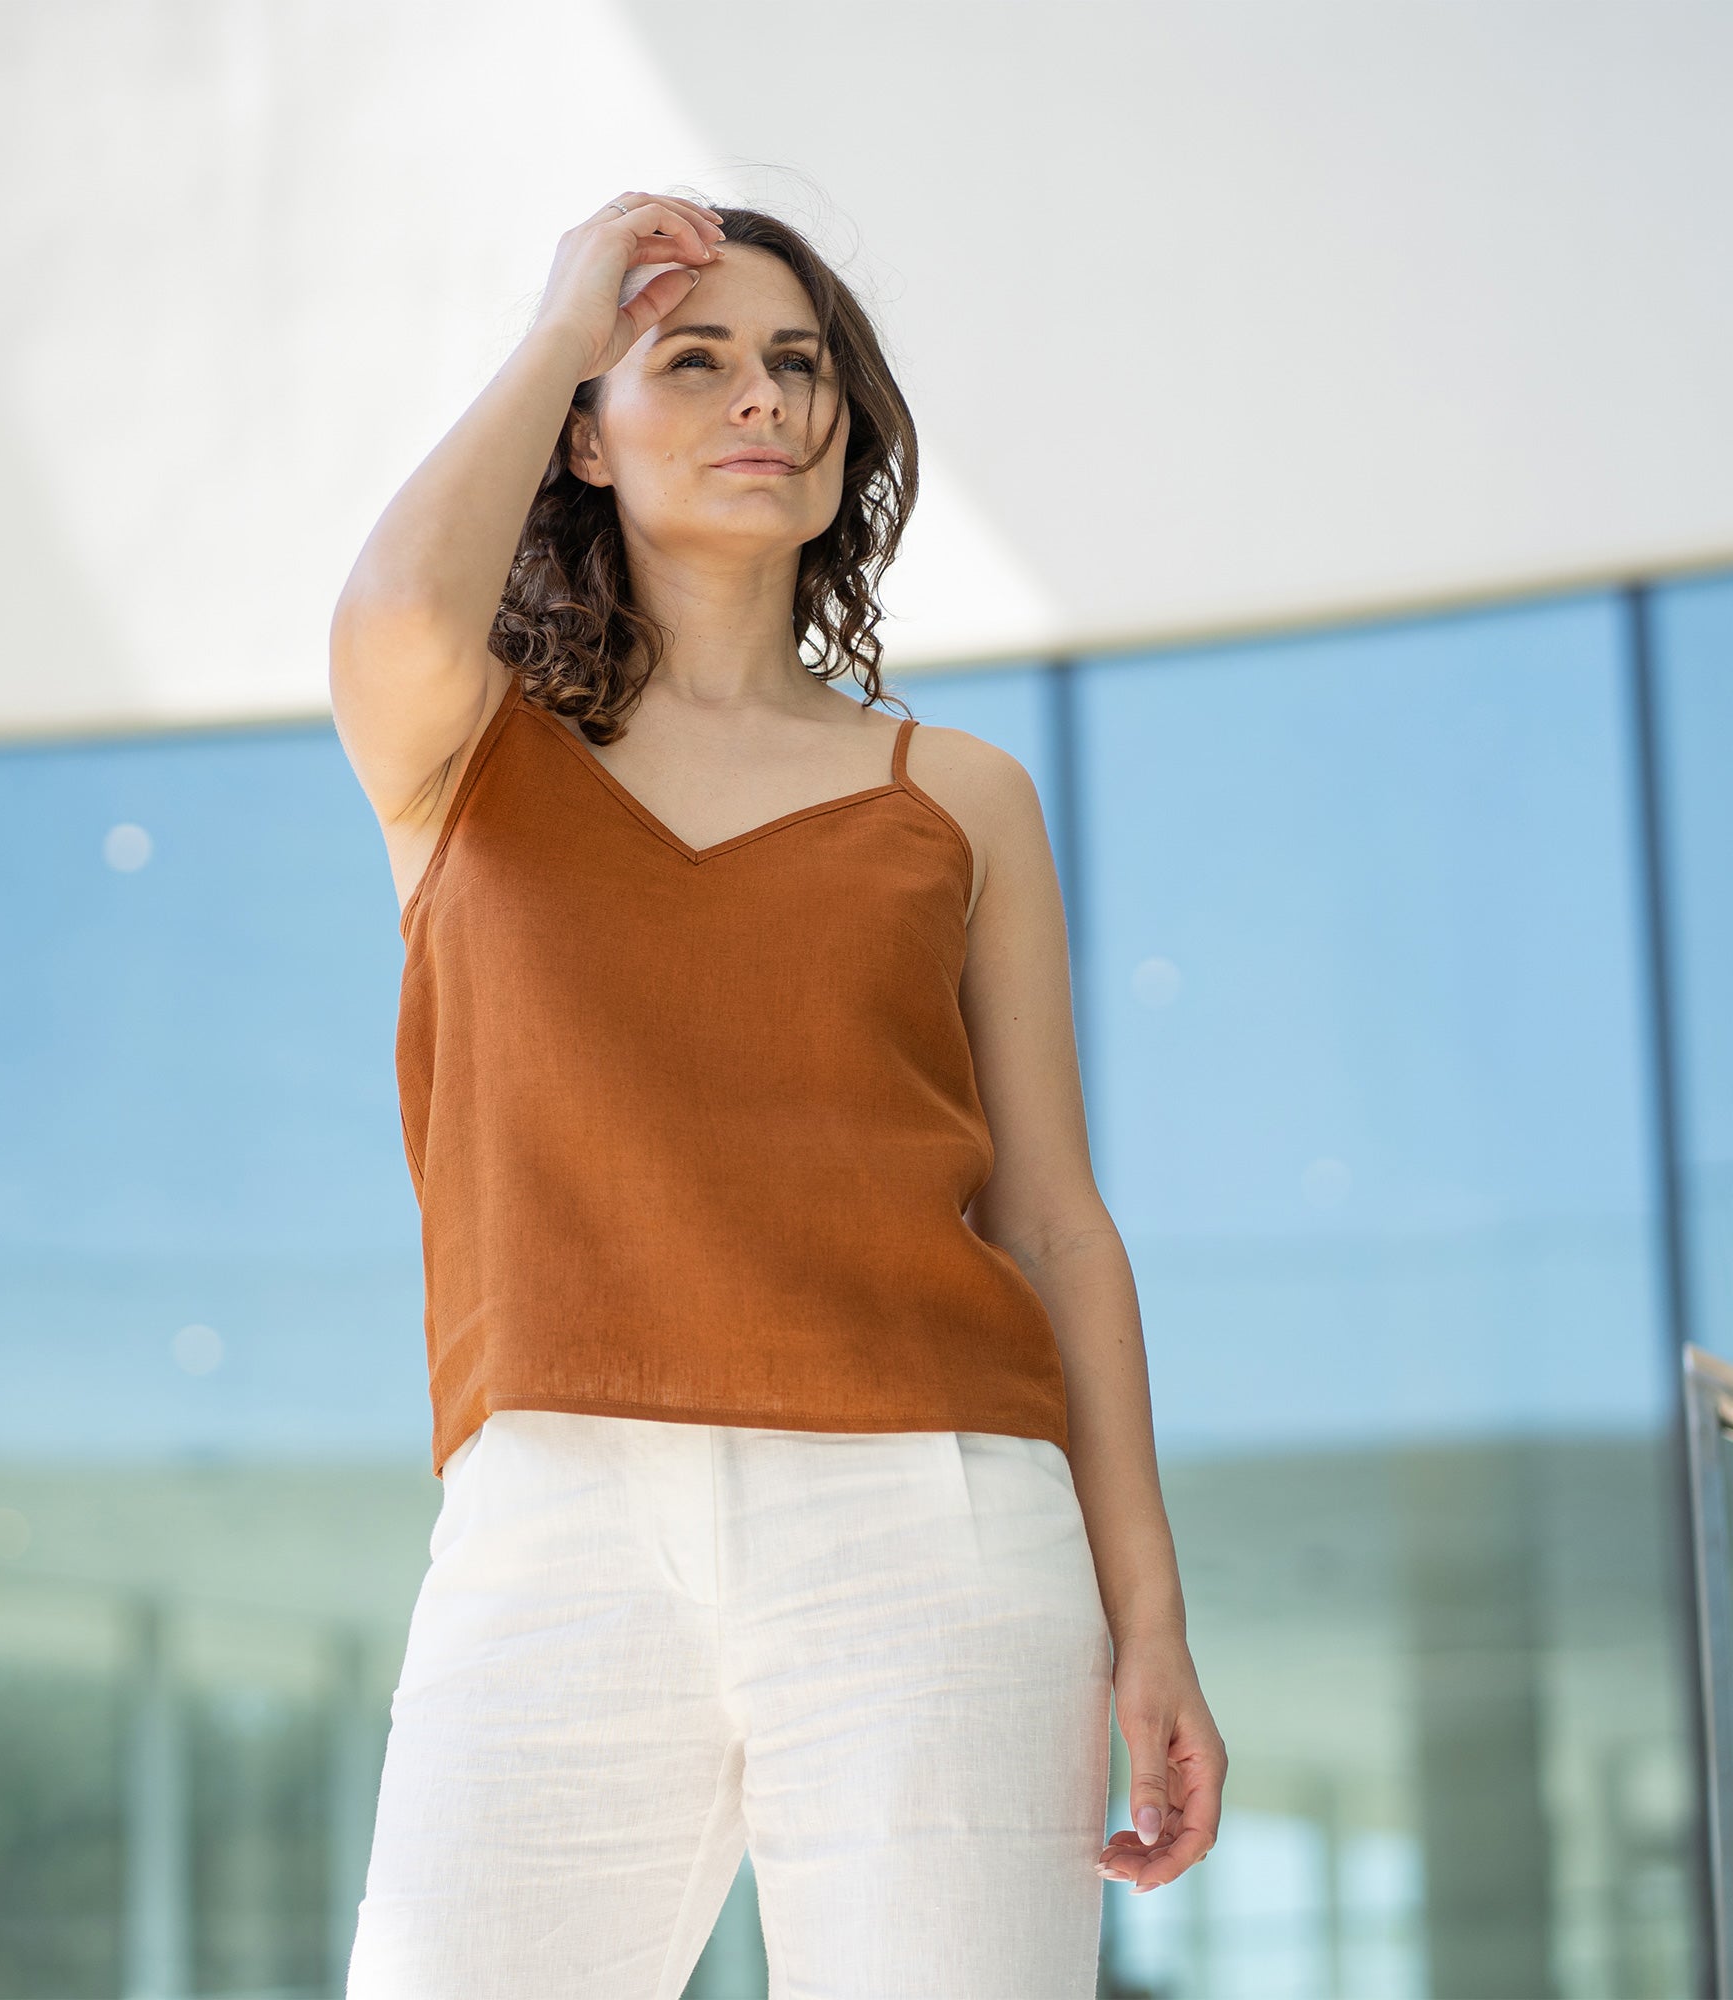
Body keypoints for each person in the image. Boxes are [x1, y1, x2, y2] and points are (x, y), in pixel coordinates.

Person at [328, 188, 1226, 1999]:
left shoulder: (954, 795)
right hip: (553, 1524)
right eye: (695, 359)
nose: (766, 401)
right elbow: (394, 600)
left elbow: (1054, 1218)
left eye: (798, 364)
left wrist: (1153, 1620)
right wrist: (566, 313)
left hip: (939, 1527)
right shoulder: (464, 755)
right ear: (586, 428)